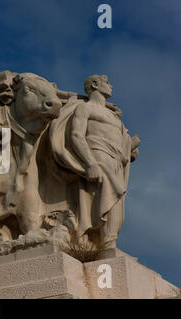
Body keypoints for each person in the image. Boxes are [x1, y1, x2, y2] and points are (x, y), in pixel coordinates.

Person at [50, 75, 139, 249]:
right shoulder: (85, 108)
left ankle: (107, 243)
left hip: (116, 160)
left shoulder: (113, 116)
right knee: (107, 197)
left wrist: (129, 147)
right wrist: (90, 163)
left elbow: (121, 140)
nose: (111, 86)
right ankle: (102, 242)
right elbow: (76, 135)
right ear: (95, 85)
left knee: (117, 200)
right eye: (107, 83)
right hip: (99, 155)